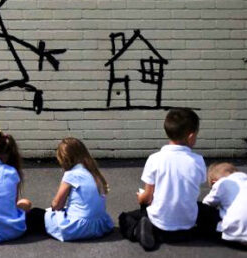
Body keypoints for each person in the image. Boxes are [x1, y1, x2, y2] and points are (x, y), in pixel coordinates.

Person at [118, 107, 208, 251]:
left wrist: (141, 198)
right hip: (188, 229)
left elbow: (147, 197)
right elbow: (193, 187)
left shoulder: (154, 159)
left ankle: (138, 230)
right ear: (191, 137)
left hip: (160, 226)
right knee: (204, 209)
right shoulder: (198, 161)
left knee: (124, 218)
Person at [25, 137, 114, 241]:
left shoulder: (71, 174)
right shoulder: (94, 173)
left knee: (34, 214)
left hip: (78, 227)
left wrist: (52, 208)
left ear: (64, 158)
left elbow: (57, 205)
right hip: (98, 226)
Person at [201, 162, 247, 246]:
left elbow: (206, 203)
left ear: (214, 181)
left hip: (235, 234)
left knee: (201, 209)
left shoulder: (222, 182)